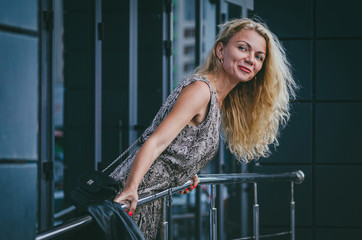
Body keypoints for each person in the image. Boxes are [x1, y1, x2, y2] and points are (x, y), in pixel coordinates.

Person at [110, 18, 297, 239]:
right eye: (242, 48)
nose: (250, 59)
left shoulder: (218, 99)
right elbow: (156, 141)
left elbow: (177, 146)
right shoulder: (201, 90)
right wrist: (131, 187)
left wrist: (185, 172)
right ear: (221, 50)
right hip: (131, 199)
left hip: (149, 202)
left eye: (259, 56)